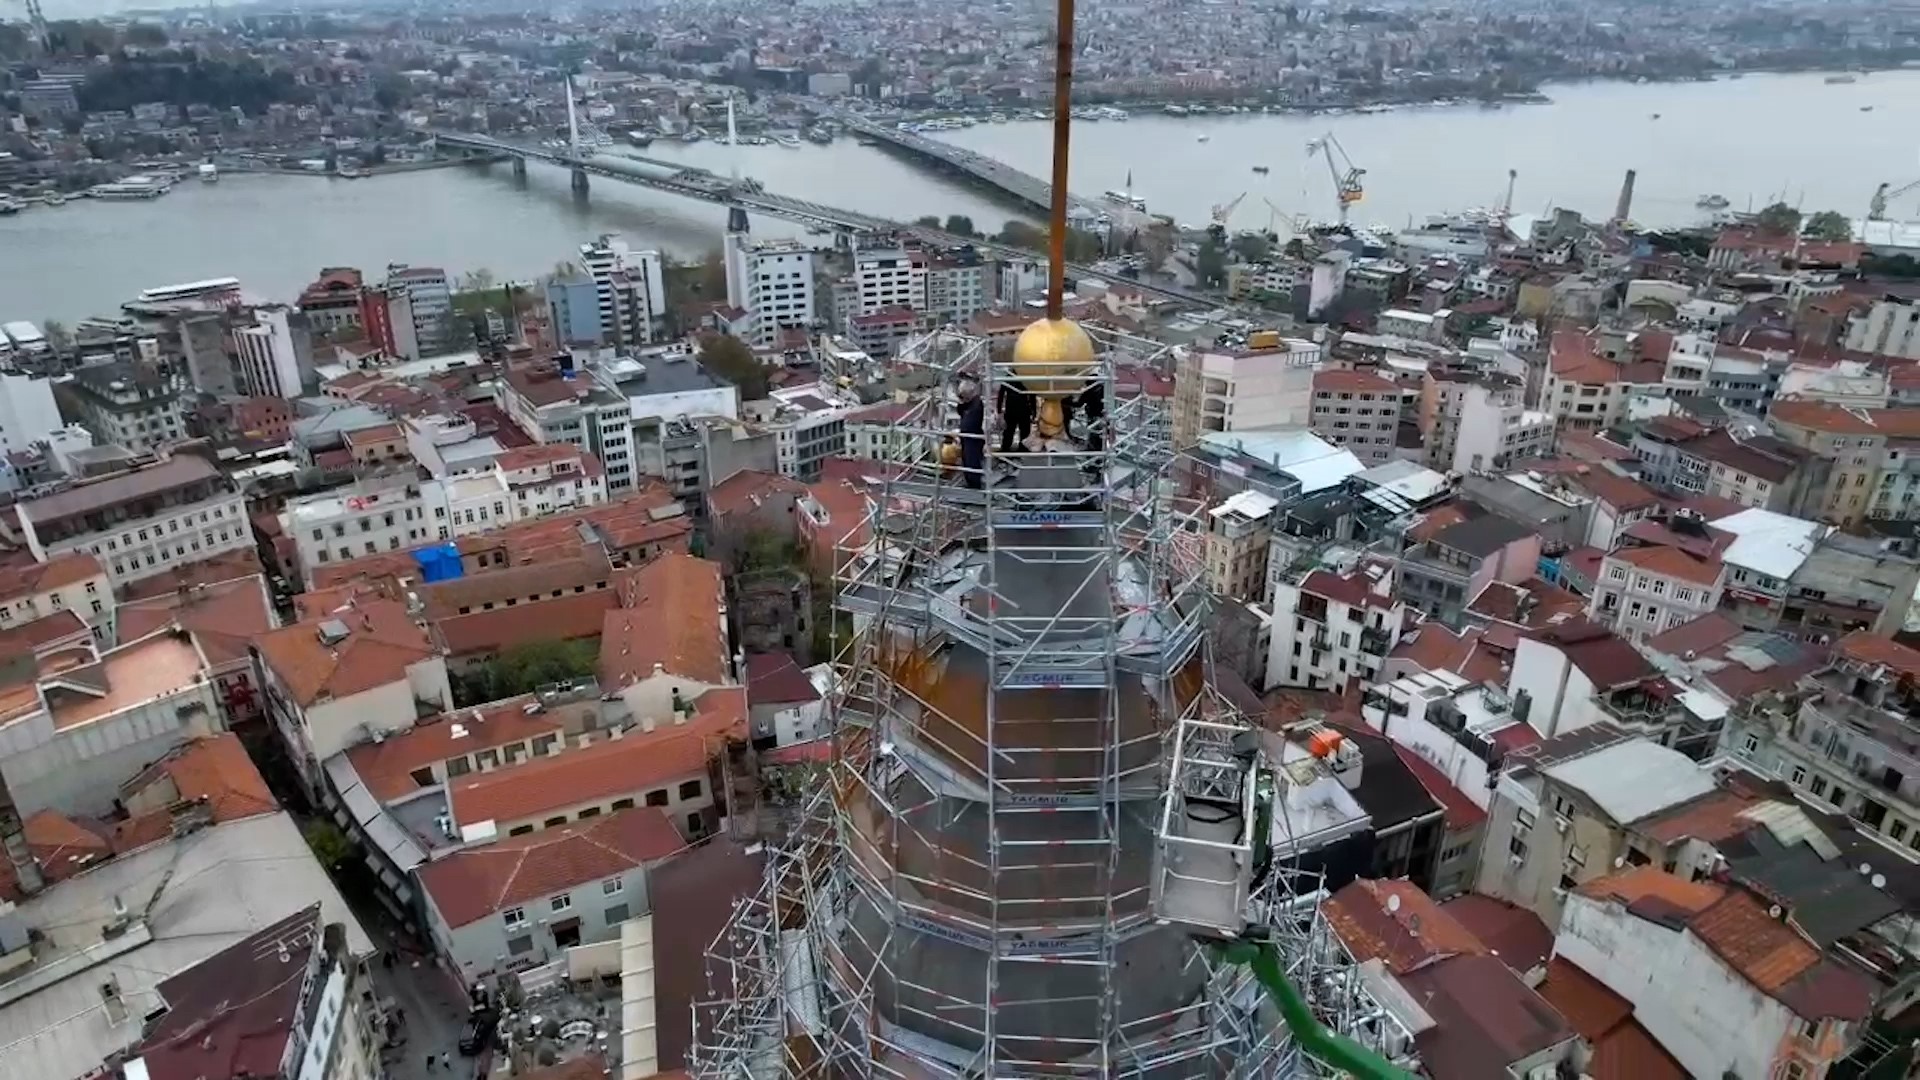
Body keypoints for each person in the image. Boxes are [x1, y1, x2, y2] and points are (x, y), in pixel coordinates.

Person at [955, 379, 986, 490]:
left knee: (972, 460)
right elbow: (960, 412)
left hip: (973, 436)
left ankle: (975, 484)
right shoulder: (968, 403)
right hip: (966, 436)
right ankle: (969, 482)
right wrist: (961, 403)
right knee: (966, 459)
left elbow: (971, 420)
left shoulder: (977, 404)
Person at [997, 376, 1033, 455]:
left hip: (1014, 406)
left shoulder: (1008, 377)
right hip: (1020, 407)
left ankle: (1007, 448)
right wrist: (1033, 411)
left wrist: (999, 411)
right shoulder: (1025, 376)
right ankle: (1015, 448)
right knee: (1017, 430)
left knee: (1012, 430)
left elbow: (1001, 395)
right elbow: (1031, 394)